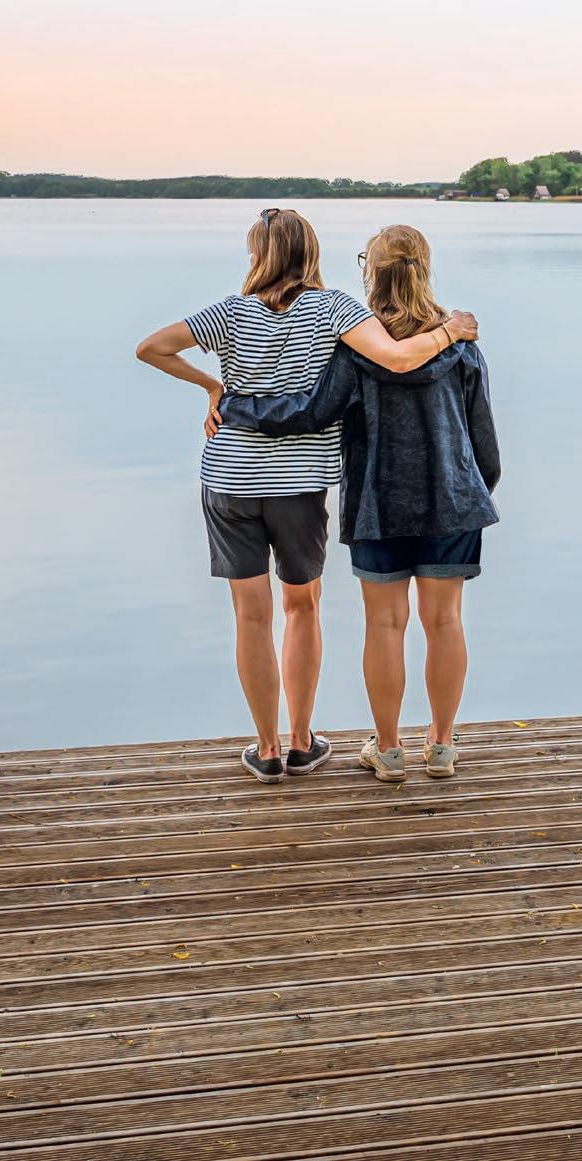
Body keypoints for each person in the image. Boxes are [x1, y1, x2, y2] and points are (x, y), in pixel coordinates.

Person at [135, 209, 477, 783]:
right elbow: (406, 366)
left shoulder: (229, 312)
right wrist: (452, 330)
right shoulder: (336, 310)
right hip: (304, 485)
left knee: (252, 616)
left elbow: (152, 348)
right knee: (306, 607)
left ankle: (272, 750)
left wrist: (215, 387)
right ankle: (309, 741)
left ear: (259, 255)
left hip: (231, 480)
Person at [219, 224, 499, 783]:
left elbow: (309, 413)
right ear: (425, 268)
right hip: (453, 502)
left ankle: (390, 751)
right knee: (445, 621)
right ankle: (441, 747)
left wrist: (236, 405)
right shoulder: (462, 344)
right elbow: (484, 441)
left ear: (371, 272)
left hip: (378, 505)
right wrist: (472, 491)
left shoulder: (355, 347)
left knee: (386, 625)